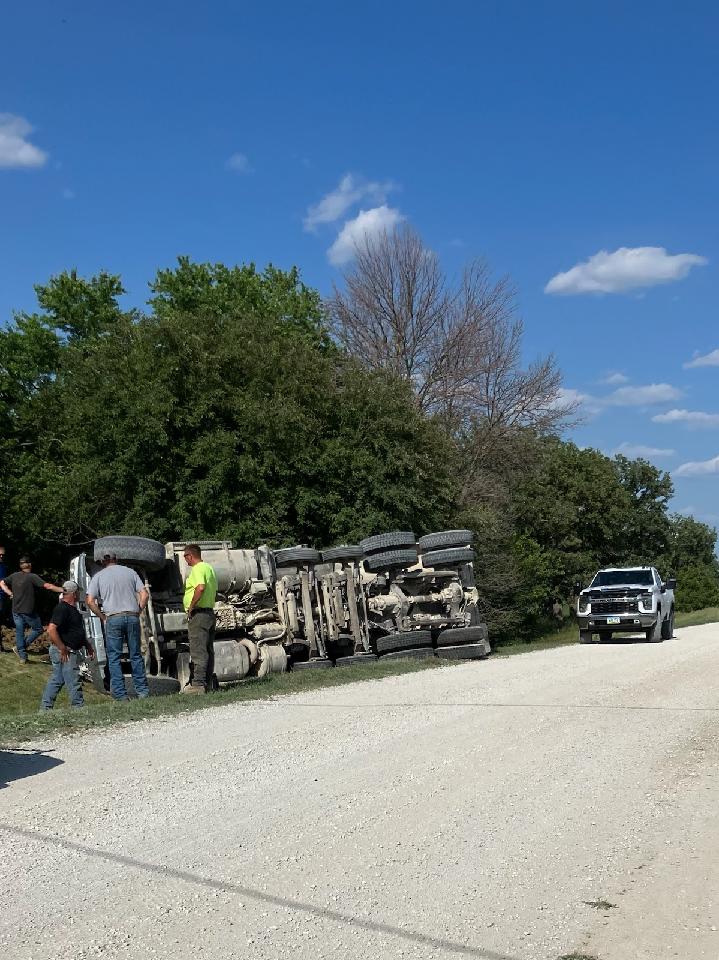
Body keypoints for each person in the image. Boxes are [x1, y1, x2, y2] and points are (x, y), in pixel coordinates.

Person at [85, 552, 150, 701]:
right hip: (132, 616)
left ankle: (121, 695)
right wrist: (138, 610)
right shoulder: (130, 572)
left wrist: (102, 617)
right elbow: (144, 594)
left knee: (114, 657)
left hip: (113, 617)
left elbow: (89, 601)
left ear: (103, 562)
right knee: (136, 655)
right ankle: (142, 692)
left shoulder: (98, 576)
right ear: (117, 559)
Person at [40, 581, 95, 710]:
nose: (79, 594)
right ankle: (78, 707)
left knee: (58, 679)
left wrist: (87, 645)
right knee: (73, 678)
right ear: (74, 593)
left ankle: (45, 708)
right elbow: (51, 629)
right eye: (78, 592)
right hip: (65, 651)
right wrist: (62, 648)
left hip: (66, 649)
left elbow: (75, 630)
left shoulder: (72, 610)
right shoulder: (62, 608)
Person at [0, 556, 63, 663]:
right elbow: (48, 586)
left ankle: (22, 656)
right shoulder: (32, 577)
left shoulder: (14, 576)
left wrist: (9, 593)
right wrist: (63, 589)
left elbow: (1, 583)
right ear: (30, 565)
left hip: (16, 609)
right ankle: (21, 648)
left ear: (20, 566)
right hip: (28, 610)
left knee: (19, 631)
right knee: (38, 629)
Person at [182, 544, 218, 694]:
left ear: (190, 556)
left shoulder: (197, 569)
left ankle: (197, 685)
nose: (185, 560)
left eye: (185, 557)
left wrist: (191, 607)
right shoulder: (209, 568)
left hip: (199, 614)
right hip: (209, 613)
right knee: (208, 650)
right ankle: (207, 683)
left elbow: (200, 587)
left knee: (198, 650)